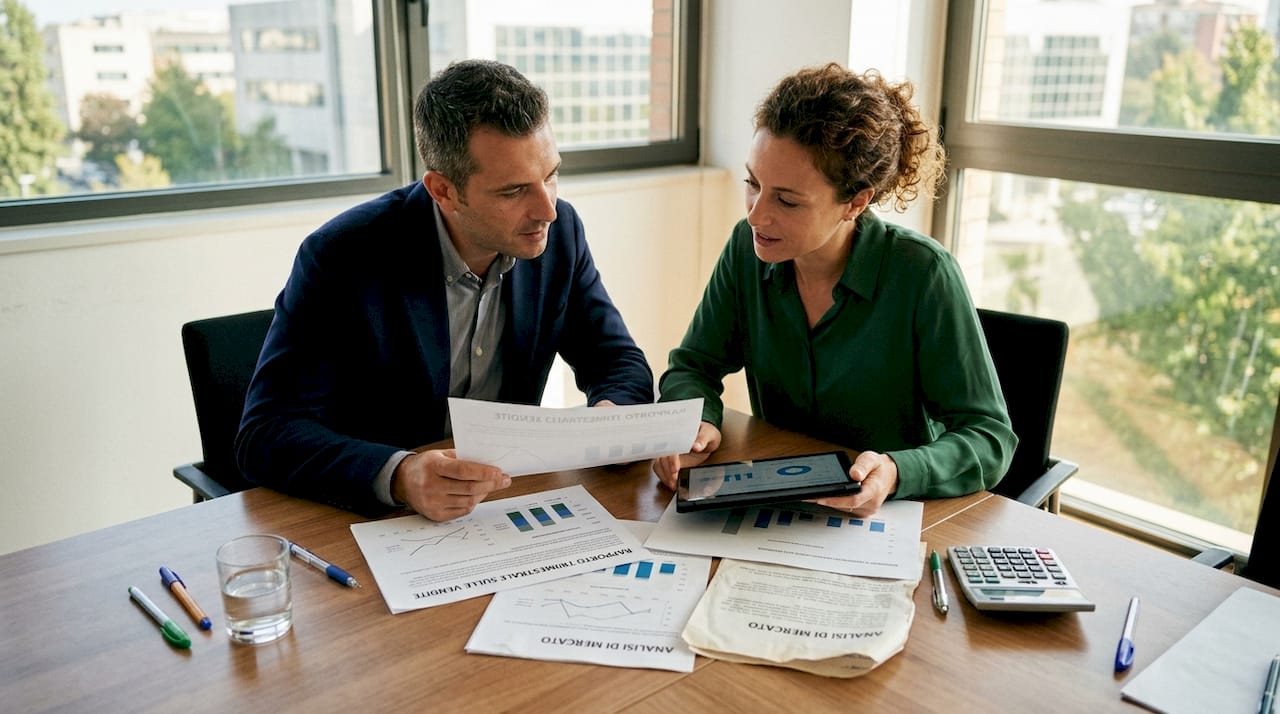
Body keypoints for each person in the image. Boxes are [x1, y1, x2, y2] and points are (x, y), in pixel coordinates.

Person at [236, 60, 654, 521]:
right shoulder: (342, 255)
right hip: (376, 521)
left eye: (551, 175)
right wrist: (400, 474)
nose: (547, 210)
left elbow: (618, 361)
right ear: (443, 191)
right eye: (514, 191)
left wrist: (610, 417)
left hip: (500, 506)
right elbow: (265, 432)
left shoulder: (561, 233)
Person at [653, 63, 1016, 517]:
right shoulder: (747, 250)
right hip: (781, 505)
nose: (756, 215)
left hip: (891, 518)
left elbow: (989, 438)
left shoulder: (924, 274)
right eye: (753, 183)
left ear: (856, 202)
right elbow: (694, 366)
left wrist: (896, 471)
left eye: (786, 200)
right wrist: (694, 422)